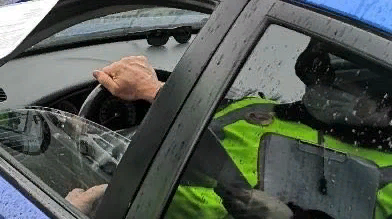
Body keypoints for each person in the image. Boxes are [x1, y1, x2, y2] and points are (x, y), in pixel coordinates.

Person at [66, 50, 392, 218]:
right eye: (318, 78)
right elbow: (203, 119)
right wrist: (153, 89)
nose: (321, 90)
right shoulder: (255, 108)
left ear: (384, 102)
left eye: (342, 86)